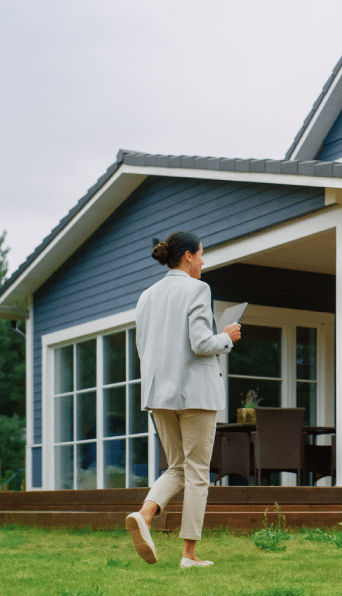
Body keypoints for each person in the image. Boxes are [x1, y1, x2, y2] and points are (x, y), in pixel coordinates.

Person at [125, 231, 242, 568]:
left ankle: (145, 515)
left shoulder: (146, 296)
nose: (203, 262)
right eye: (202, 255)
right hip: (195, 394)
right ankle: (189, 555)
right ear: (188, 256)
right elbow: (201, 343)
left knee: (176, 467)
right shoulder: (197, 289)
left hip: (158, 394)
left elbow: (142, 348)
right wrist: (227, 336)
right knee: (196, 473)